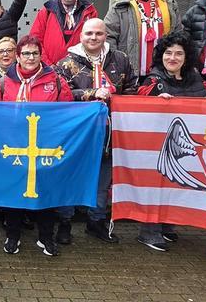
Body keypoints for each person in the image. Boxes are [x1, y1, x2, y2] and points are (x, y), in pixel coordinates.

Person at [0, 35, 73, 256]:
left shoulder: (56, 81)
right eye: (26, 53)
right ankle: (12, 235)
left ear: (40, 55)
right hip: (14, 145)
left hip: (46, 144)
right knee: (15, 191)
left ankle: (46, 237)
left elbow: (67, 112)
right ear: (18, 56)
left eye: (35, 53)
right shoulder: (4, 83)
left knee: (46, 191)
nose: (30, 57)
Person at [54, 18, 135, 245]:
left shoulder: (120, 60)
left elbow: (132, 88)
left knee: (102, 178)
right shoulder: (65, 64)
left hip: (111, 131)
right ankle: (65, 222)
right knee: (70, 177)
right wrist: (91, 93)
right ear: (81, 36)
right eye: (89, 33)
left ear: (105, 35)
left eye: (98, 34)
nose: (93, 38)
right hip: (78, 133)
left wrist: (117, 98)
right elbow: (62, 94)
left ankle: (96, 222)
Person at [133, 30, 206, 251]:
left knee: (178, 183)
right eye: (168, 53)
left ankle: (167, 224)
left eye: (178, 54)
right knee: (157, 185)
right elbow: (139, 101)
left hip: (187, 144)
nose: (172, 58)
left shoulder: (196, 80)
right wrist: (156, 101)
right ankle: (149, 231)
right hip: (158, 145)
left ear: (186, 58)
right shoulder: (153, 79)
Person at [104, 0, 181, 77]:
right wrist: (116, 64)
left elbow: (178, 33)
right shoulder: (119, 7)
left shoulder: (169, 5)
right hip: (130, 72)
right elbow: (108, 36)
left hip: (164, 72)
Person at [29, 0, 99, 65]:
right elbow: (35, 40)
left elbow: (94, 42)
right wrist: (48, 65)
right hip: (49, 71)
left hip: (79, 70)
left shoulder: (90, 12)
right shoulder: (47, 10)